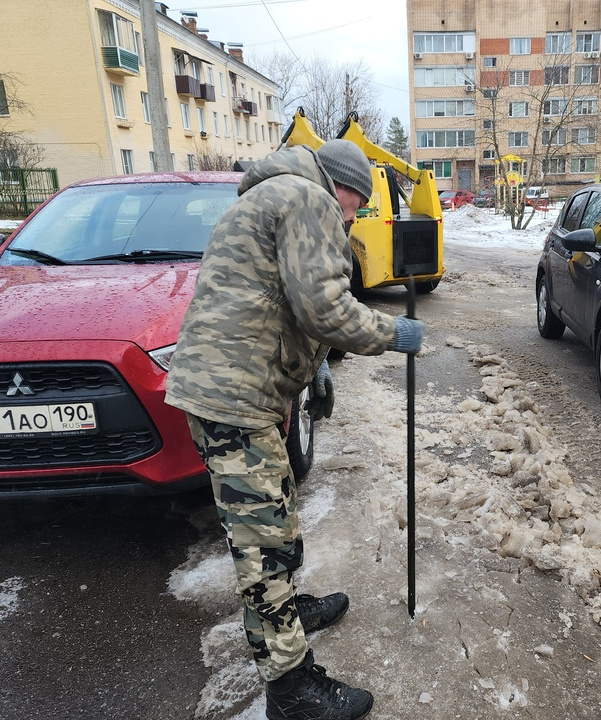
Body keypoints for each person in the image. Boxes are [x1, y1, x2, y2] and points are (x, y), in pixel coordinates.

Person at [165, 138, 424, 720]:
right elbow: (323, 308)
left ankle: (287, 608)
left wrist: (315, 367)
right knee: (262, 541)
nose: (352, 218)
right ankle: (291, 689)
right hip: (234, 397)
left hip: (235, 390)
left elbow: (279, 298)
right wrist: (394, 334)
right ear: (344, 187)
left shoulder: (273, 193)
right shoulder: (308, 197)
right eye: (356, 206)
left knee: (273, 516)